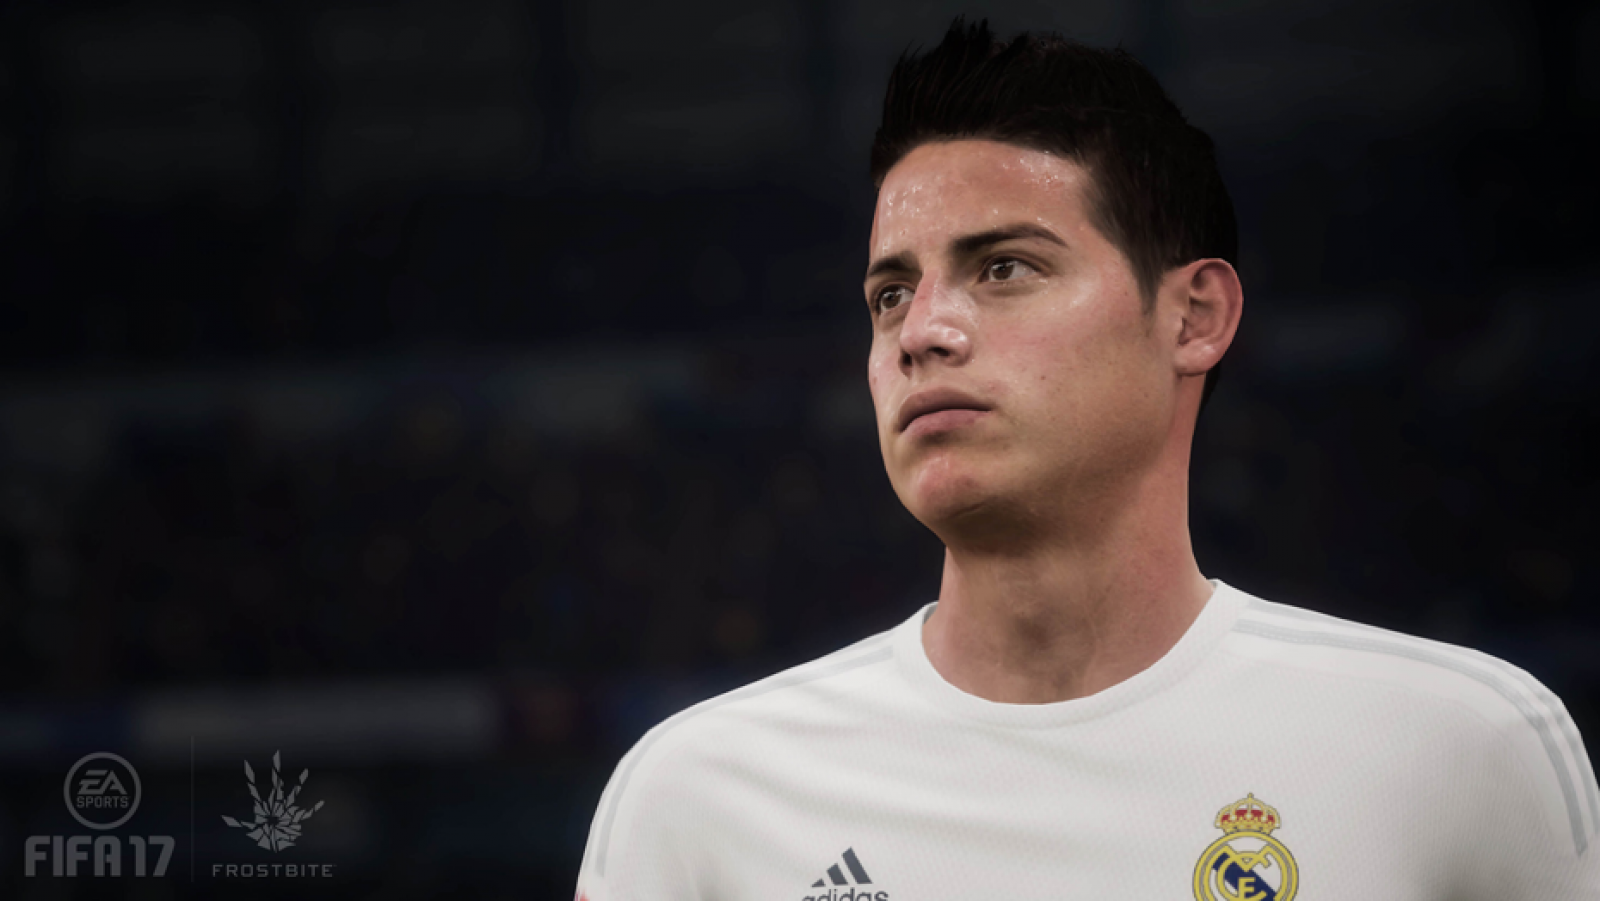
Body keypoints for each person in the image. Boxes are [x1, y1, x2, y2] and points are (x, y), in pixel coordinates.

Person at [574, 19, 1599, 900]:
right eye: (890, 293)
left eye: (1003, 267)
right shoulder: (698, 798)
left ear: (1193, 316)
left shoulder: (1461, 748)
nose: (921, 331)